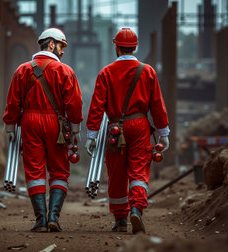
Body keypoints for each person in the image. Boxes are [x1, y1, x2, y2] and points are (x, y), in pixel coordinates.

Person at [85, 28, 169, 234]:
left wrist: (92, 135)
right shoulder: (147, 71)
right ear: (135, 47)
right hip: (140, 126)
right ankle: (136, 209)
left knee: (116, 172)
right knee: (139, 170)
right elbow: (157, 105)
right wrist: (163, 133)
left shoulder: (106, 73)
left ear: (116, 46)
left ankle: (121, 219)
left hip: (115, 129)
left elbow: (96, 106)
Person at [3, 28, 83, 232]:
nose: (63, 51)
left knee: (35, 171)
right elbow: (74, 104)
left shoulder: (22, 70)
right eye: (61, 46)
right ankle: (54, 217)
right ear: (50, 44)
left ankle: (41, 220)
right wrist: (75, 129)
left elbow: (13, 101)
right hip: (56, 124)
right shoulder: (65, 71)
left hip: (29, 123)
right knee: (59, 171)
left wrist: (10, 125)